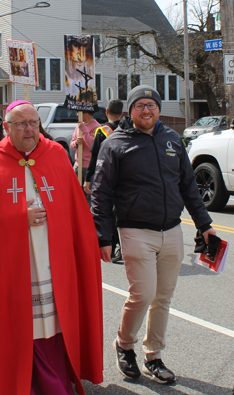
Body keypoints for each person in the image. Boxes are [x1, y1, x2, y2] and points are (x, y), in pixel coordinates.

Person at [0, 100, 103, 395]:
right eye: (21, 124)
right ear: (7, 128)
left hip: (52, 258)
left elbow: (73, 207)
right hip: (15, 266)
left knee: (56, 323)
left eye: (34, 123)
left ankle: (59, 377)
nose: (29, 129)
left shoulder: (56, 155)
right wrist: (17, 218)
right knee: (22, 326)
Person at [91, 85, 216, 384]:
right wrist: (103, 237)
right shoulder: (115, 143)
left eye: (151, 104)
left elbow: (188, 186)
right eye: (140, 105)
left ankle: (154, 355)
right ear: (130, 110)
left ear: (158, 108)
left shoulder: (172, 139)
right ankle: (124, 344)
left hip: (172, 229)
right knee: (143, 294)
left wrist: (205, 224)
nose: (146, 110)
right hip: (135, 230)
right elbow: (101, 194)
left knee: (163, 297)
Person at [84, 99, 124, 263]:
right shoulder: (128, 128)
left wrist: (88, 179)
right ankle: (123, 245)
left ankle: (113, 245)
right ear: (122, 113)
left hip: (106, 176)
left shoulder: (102, 131)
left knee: (108, 212)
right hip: (124, 176)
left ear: (106, 111)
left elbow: (95, 158)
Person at [69, 110, 100, 205]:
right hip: (78, 165)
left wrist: (84, 129)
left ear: (85, 113)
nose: (77, 115)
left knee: (89, 195)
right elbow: (72, 144)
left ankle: (90, 217)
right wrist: (76, 143)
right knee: (76, 194)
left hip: (89, 167)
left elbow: (92, 145)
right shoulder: (78, 126)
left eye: (79, 112)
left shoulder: (97, 127)